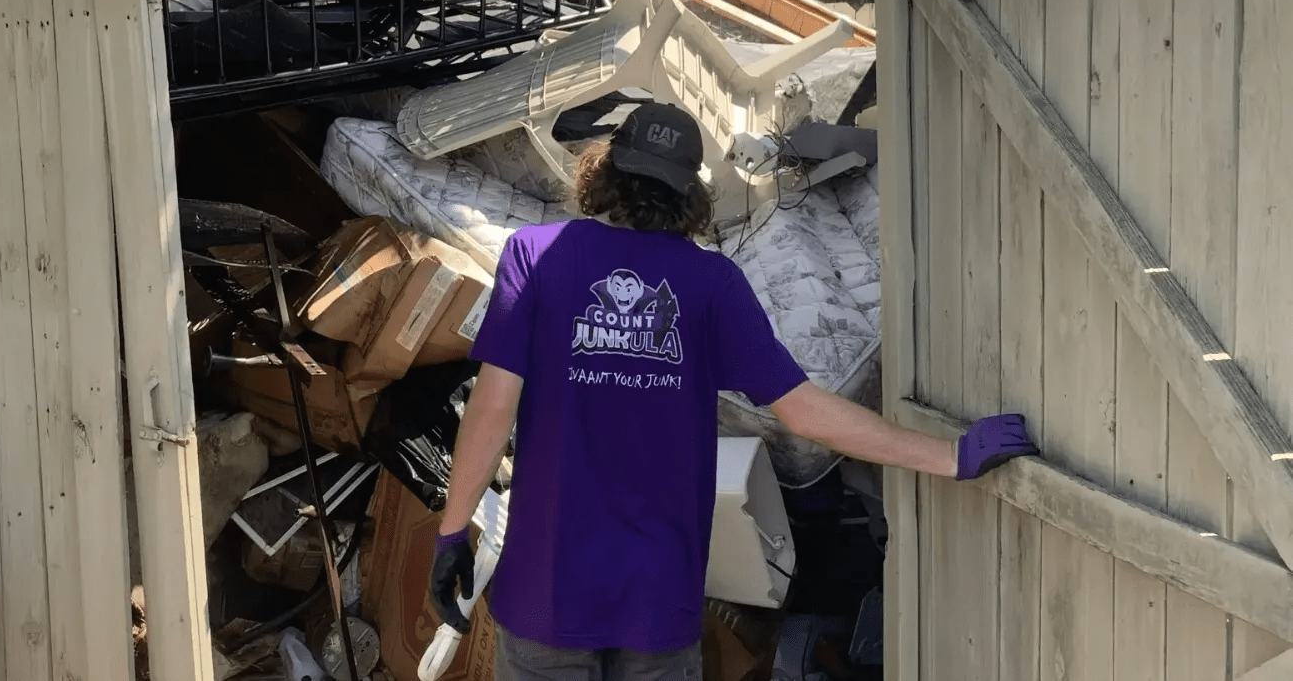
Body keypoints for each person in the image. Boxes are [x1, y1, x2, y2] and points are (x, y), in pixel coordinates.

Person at [427, 101, 1038, 680]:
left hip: (545, 593)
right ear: (689, 194)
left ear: (605, 171)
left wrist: (454, 532)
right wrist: (948, 456)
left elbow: (493, 406)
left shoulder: (533, 258)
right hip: (657, 600)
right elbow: (805, 412)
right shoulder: (711, 283)